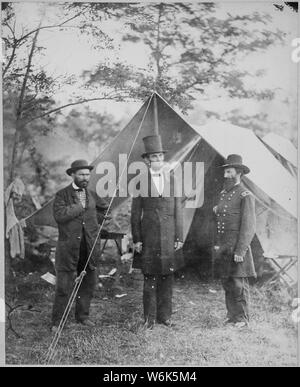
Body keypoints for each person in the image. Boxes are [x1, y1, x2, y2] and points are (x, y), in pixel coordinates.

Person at [131, 135, 184, 329]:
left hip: (169, 237)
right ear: (147, 160)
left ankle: (165, 317)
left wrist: (179, 236)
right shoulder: (140, 182)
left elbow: (179, 209)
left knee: (167, 278)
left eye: (161, 157)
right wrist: (137, 239)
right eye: (154, 157)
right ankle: (149, 319)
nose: (158, 161)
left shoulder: (172, 180)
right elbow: (135, 213)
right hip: (149, 237)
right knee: (150, 277)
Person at [51, 159, 108, 331]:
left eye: (87, 174)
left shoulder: (91, 194)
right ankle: (58, 322)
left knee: (88, 283)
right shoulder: (62, 195)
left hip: (89, 246)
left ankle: (82, 316)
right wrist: (79, 206)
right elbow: (59, 216)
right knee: (64, 285)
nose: (85, 177)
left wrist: (102, 217)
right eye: (82, 174)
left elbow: (99, 212)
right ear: (73, 175)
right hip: (68, 248)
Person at [213, 154, 256, 328]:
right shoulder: (224, 193)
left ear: (238, 172)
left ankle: (242, 319)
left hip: (237, 247)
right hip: (224, 246)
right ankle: (232, 315)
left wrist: (241, 251)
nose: (225, 175)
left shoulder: (245, 195)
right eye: (225, 172)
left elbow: (249, 226)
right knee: (227, 281)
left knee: (238, 284)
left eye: (229, 171)